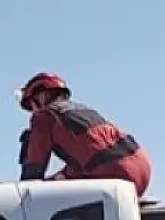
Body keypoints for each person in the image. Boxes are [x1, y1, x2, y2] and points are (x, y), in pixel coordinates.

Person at [17, 72, 154, 197]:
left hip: (116, 173)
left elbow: (34, 169)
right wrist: (56, 178)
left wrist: (24, 193)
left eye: (32, 105)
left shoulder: (44, 116)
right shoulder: (83, 112)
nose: (33, 111)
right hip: (141, 167)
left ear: (41, 96)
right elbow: (91, 154)